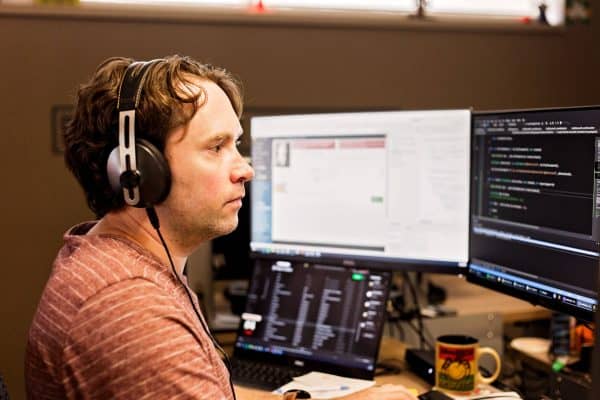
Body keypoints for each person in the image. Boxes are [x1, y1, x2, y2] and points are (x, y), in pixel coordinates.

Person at [25, 55, 417, 400]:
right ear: (140, 172)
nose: (246, 169)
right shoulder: (131, 314)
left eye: (237, 144)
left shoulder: (119, 261)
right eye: (216, 147)